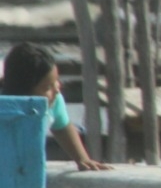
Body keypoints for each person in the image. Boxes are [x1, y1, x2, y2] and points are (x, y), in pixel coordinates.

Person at [2, 42, 111, 171]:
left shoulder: (54, 101)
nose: (57, 90)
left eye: (56, 82)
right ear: (23, 92)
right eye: (48, 87)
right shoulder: (5, 108)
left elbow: (62, 126)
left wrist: (82, 159)